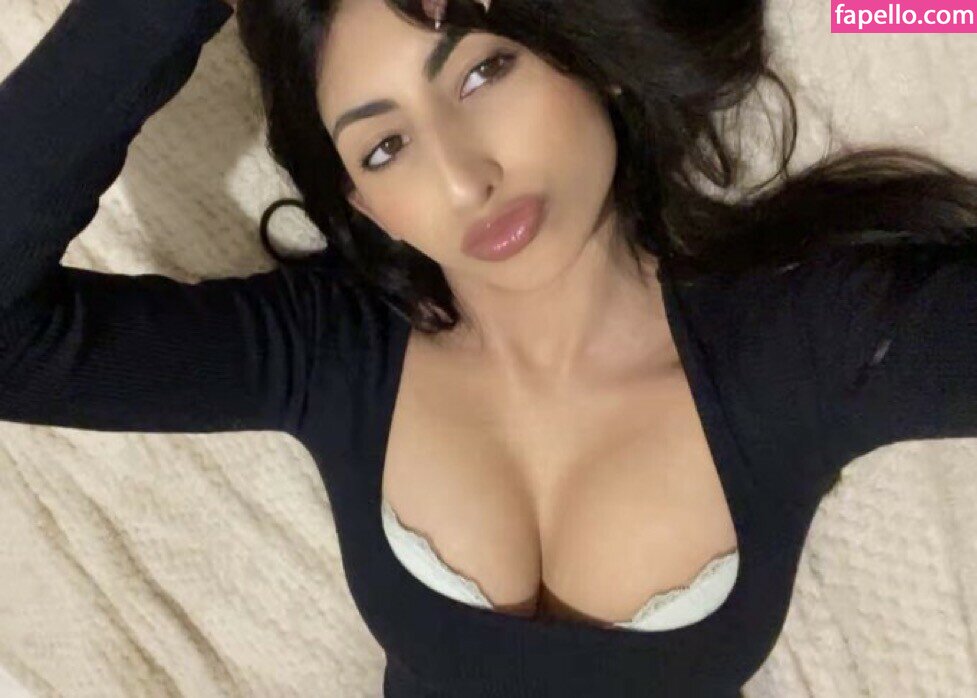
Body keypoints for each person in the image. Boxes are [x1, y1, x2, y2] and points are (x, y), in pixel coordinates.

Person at [1, 0, 975, 695]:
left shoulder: (813, 343)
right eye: (385, 147)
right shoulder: (333, 349)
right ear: (361, 202)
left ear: (585, 50)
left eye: (482, 72)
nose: (464, 179)